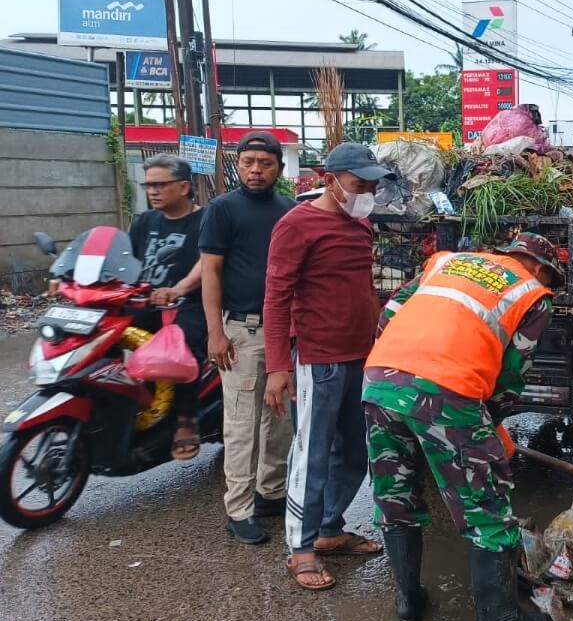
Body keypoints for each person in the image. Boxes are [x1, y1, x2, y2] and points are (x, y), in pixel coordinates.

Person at [363, 233, 561, 621]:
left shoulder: (446, 262)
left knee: (394, 496)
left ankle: (408, 604)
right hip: (447, 392)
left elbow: (389, 315)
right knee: (487, 508)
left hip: (380, 379)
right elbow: (511, 373)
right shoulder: (533, 294)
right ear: (541, 267)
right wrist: (491, 423)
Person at [263, 143, 397, 590]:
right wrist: (279, 366)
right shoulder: (296, 225)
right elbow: (276, 297)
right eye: (360, 186)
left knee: (356, 452)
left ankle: (329, 530)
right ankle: (300, 549)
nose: (368, 194)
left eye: (373, 187)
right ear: (330, 178)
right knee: (311, 453)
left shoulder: (360, 226)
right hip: (318, 359)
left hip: (361, 356)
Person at [199, 132, 296, 545]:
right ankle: (239, 508)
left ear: (279, 167)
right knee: (241, 424)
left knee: (279, 421)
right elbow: (211, 272)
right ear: (238, 165)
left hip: (284, 331)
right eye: (248, 162)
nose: (256, 170)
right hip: (241, 331)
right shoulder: (222, 210)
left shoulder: (289, 212)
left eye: (265, 163)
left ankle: (270, 492)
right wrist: (215, 332)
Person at [128, 154, 208, 461]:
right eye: (149, 185)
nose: (153, 191)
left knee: (182, 345)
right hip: (144, 300)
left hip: (189, 303)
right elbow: (125, 258)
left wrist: (178, 289)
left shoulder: (205, 220)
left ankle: (187, 420)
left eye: (160, 185)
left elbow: (208, 263)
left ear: (185, 186)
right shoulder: (145, 220)